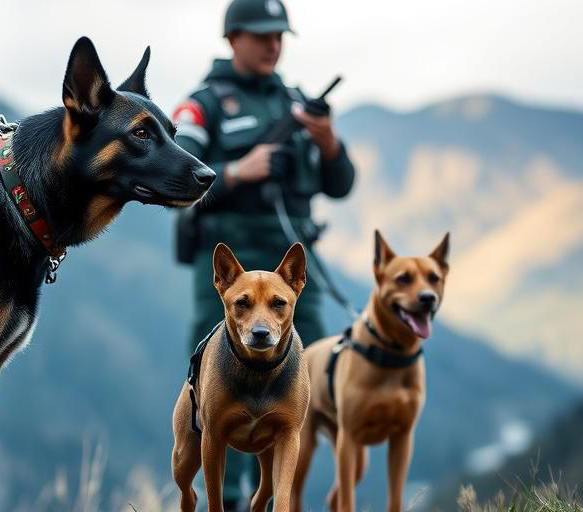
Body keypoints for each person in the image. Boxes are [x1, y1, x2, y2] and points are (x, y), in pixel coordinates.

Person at [172, 0, 356, 507]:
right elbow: (175, 179)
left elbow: (341, 183)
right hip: (230, 269)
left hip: (293, 274)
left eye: (279, 36)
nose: (273, 45)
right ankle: (228, 501)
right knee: (220, 389)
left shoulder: (296, 104)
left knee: (313, 383)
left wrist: (329, 142)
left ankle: (284, 499)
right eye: (261, 35)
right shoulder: (202, 106)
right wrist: (236, 171)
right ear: (233, 39)